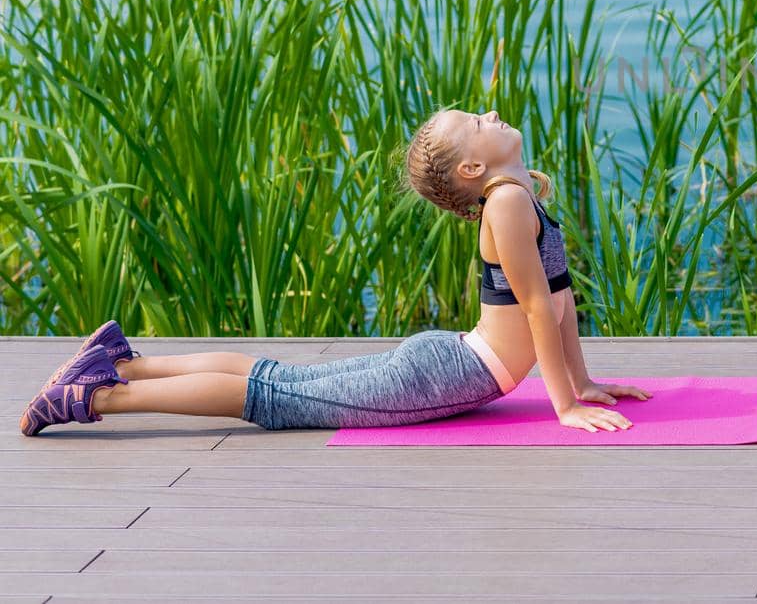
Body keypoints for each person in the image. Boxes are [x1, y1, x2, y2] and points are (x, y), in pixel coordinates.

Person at [21, 108, 649, 436]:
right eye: (473, 124)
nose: (488, 115)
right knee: (272, 396)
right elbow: (539, 310)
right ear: (471, 173)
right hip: (446, 374)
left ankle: (123, 361)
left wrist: (584, 381)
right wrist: (563, 406)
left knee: (282, 380)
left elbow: (557, 299)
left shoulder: (520, 196)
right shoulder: (509, 203)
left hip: (450, 362)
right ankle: (98, 393)